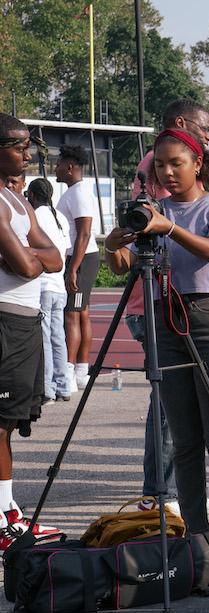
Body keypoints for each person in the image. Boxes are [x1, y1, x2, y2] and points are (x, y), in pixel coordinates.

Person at [102, 129, 209, 556]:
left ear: (198, 163)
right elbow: (124, 265)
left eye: (174, 164)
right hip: (165, 317)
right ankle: (196, 536)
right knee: (183, 439)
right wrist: (113, 246)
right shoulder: (154, 210)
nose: (165, 173)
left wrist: (170, 227)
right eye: (159, 166)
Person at [0, 114, 65, 551]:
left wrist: (31, 255)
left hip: (24, 320)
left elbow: (53, 256)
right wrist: (31, 256)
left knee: (8, 424)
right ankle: (3, 521)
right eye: (18, 145)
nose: (27, 154)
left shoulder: (17, 200)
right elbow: (26, 265)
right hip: (5, 319)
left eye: (29, 146)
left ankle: (8, 514)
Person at [54, 145, 102, 392]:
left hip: (81, 259)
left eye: (59, 163)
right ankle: (82, 370)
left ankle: (69, 373)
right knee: (81, 312)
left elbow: (84, 233)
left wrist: (73, 268)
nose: (56, 167)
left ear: (70, 167)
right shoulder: (75, 191)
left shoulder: (79, 192)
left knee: (71, 314)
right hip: (81, 259)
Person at [26, 179, 72, 405]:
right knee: (58, 336)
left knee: (43, 338)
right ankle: (64, 386)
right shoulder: (59, 217)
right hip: (58, 286)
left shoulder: (36, 216)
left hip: (43, 284)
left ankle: (47, 389)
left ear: (32, 195)